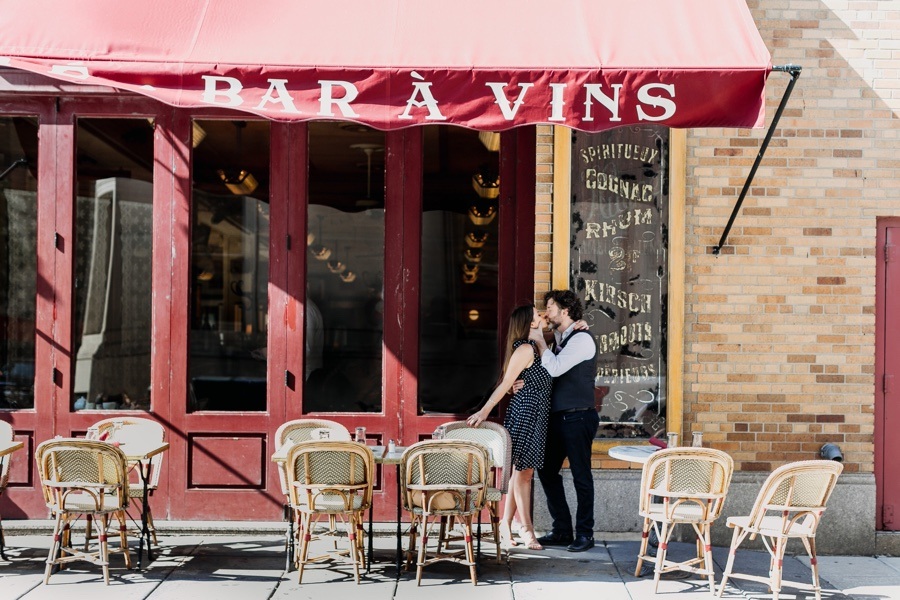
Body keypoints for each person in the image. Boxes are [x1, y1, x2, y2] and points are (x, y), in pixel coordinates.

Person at [467, 304, 551, 551]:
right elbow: (506, 384)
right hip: (525, 413)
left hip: (537, 414)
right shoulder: (525, 349)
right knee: (524, 473)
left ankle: (505, 523)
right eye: (537, 314)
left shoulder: (538, 346)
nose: (543, 316)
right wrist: (485, 410)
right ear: (530, 323)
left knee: (522, 473)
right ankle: (526, 528)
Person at [529, 290, 598, 553]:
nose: (547, 312)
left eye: (550, 307)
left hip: (579, 416)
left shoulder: (582, 340)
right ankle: (562, 530)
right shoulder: (561, 336)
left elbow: (555, 367)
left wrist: (541, 343)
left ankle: (585, 534)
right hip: (558, 417)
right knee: (546, 471)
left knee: (582, 476)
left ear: (565, 310)